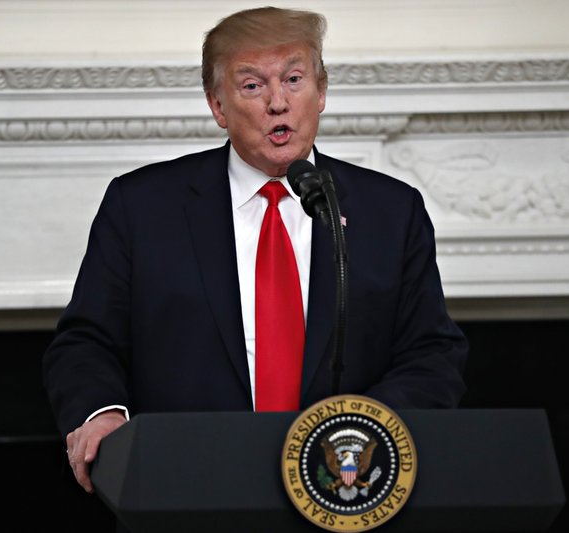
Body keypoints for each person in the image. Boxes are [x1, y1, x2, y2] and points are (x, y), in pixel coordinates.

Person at [43, 6, 467, 495]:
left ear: (321, 91)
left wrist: (360, 433)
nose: (277, 102)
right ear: (218, 106)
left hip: (343, 490)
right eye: (252, 86)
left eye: (293, 79)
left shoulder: (391, 212)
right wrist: (102, 415)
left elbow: (432, 354)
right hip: (187, 487)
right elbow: (85, 342)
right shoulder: (141, 206)